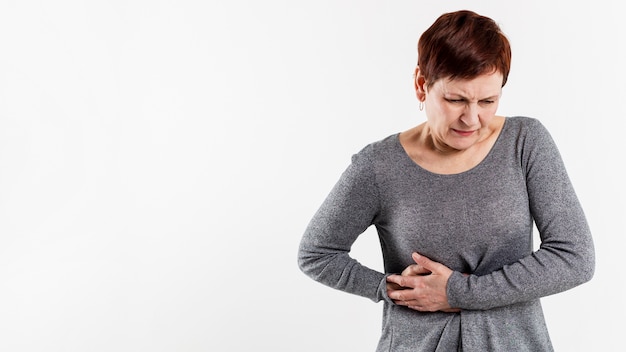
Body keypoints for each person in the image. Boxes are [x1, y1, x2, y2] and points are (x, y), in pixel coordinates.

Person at [297, 9, 595, 352]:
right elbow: (316, 253)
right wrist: (390, 288)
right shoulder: (378, 166)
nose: (472, 118)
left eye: (488, 101)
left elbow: (575, 257)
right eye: (456, 100)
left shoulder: (525, 142)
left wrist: (458, 294)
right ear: (422, 85)